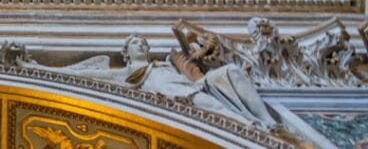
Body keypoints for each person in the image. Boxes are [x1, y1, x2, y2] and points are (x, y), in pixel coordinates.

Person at [14, 35, 278, 128]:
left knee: (229, 72)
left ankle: (262, 126)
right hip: (172, 100)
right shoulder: (129, 75)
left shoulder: (160, 64)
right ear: (126, 52)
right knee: (208, 108)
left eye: (143, 42)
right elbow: (83, 76)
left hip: (188, 89)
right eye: (135, 43)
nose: (141, 45)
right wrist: (37, 70)